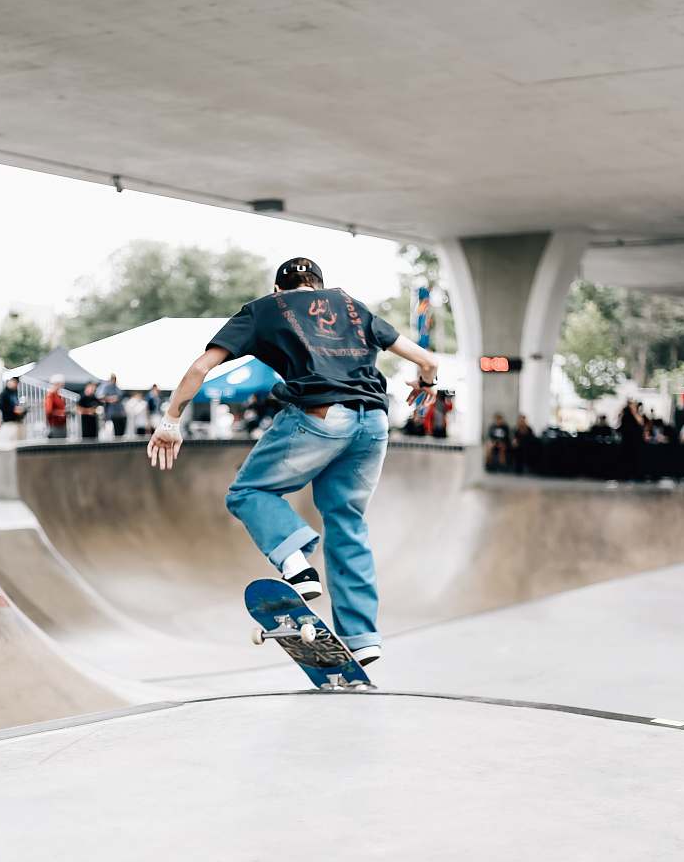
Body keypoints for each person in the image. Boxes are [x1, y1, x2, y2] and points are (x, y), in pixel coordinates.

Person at [147, 256, 438, 667]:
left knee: (249, 491)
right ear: (319, 284)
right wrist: (425, 385)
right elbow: (428, 361)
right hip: (374, 422)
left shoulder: (265, 308)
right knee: (347, 522)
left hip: (320, 417)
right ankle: (362, 638)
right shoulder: (352, 307)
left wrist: (171, 419)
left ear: (278, 289)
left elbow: (202, 366)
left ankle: (297, 566)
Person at [618, 398, 644, 479]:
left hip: (632, 442)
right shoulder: (628, 416)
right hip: (629, 442)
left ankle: (631, 473)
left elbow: (640, 424)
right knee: (629, 458)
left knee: (631, 458)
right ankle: (629, 473)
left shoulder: (633, 416)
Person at [97, 374, 126, 438]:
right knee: (110, 433)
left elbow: (120, 397)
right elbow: (100, 397)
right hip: (110, 415)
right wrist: (111, 399)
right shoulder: (106, 387)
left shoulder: (117, 388)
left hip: (119, 414)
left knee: (119, 433)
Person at [45, 375, 68, 439]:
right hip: (55, 425)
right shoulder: (51, 395)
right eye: (61, 383)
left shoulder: (58, 395)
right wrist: (62, 413)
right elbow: (49, 411)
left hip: (61, 424)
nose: (62, 385)